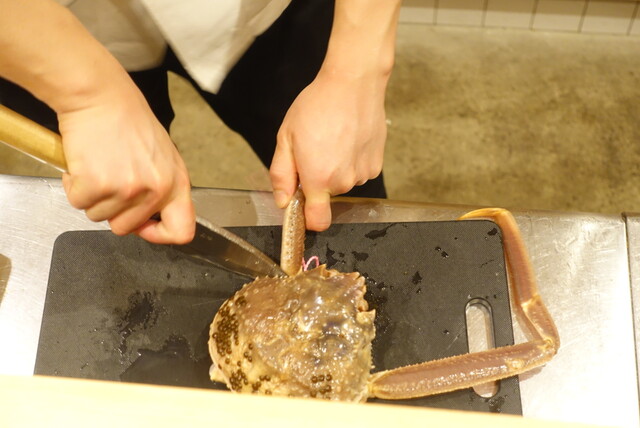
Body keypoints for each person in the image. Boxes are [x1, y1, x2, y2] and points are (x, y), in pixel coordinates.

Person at [0, 0, 401, 244]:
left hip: (261, 13)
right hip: (37, 33)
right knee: (134, 209)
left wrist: (358, 70)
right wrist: (85, 96)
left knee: (336, 177)